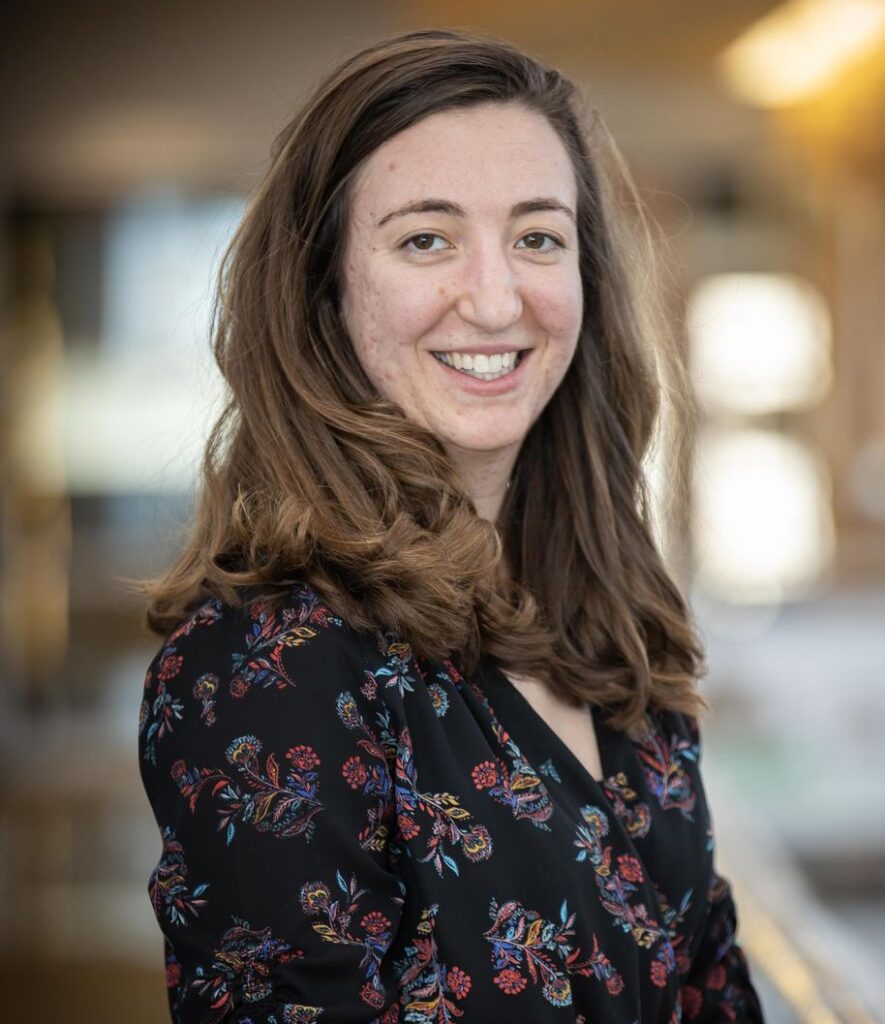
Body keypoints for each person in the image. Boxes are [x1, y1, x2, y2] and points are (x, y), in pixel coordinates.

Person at [137, 27, 765, 1024]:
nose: (495, 297)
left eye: (537, 237)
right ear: (324, 291)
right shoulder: (270, 667)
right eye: (425, 239)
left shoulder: (607, 626)